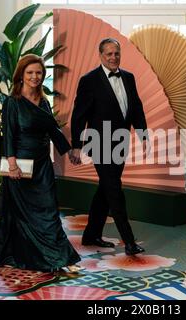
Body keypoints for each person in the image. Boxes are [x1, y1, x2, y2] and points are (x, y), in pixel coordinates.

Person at [0, 54, 82, 273]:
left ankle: (59, 257)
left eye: (38, 72)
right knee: (22, 215)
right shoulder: (12, 102)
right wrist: (12, 166)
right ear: (21, 75)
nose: (35, 76)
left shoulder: (44, 102)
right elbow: (9, 135)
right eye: (30, 72)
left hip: (42, 165)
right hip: (19, 167)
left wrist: (69, 151)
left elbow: (52, 130)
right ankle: (38, 256)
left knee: (49, 211)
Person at [69, 38, 149, 256]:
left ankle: (91, 235)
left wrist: (143, 134)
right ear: (100, 56)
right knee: (114, 190)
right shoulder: (89, 80)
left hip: (120, 142)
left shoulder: (129, 78)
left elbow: (136, 108)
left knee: (106, 189)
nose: (113, 57)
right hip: (99, 143)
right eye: (109, 54)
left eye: (116, 53)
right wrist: (76, 145)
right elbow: (79, 116)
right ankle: (129, 241)